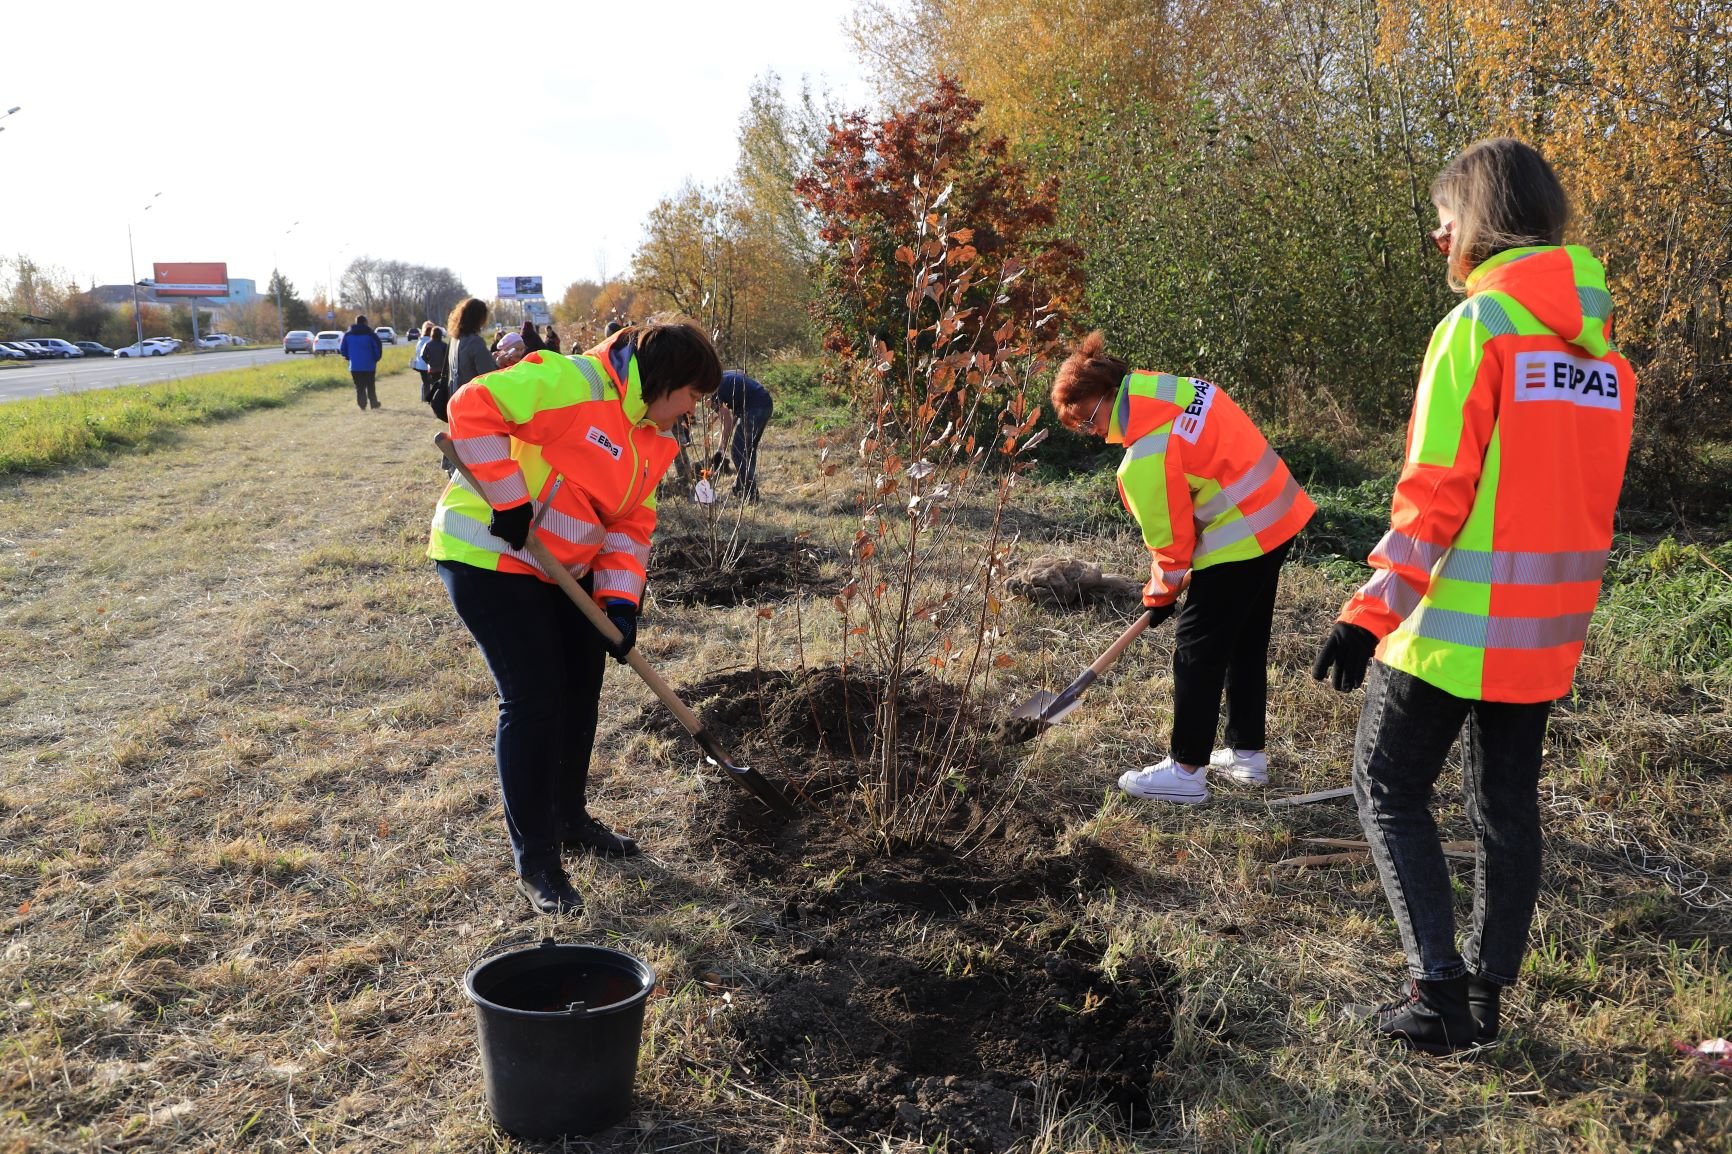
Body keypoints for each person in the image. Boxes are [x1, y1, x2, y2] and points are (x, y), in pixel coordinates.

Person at [1312, 139, 1635, 1054]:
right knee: (1506, 811)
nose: (1437, 233)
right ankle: (1489, 999)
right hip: (1546, 634)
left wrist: (1367, 610)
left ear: (1481, 223)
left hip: (1450, 629)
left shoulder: (1478, 329)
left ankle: (1437, 997)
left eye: (1446, 216)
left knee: (1385, 785)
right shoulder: (1607, 363)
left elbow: (1434, 496)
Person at [430, 317, 722, 915]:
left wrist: (618, 605)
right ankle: (536, 860)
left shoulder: (651, 438)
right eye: (693, 396)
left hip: (563, 570)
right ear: (668, 380)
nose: (691, 412)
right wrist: (510, 501)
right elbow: (472, 406)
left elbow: (630, 526)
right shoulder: (573, 382)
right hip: (489, 553)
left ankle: (567, 818)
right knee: (535, 697)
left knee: (582, 684)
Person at [1051, 333, 1314, 805]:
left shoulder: (1146, 459)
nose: (1092, 432)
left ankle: (1186, 771)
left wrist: (1160, 596)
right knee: (1245, 638)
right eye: (1081, 429)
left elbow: (1172, 548)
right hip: (1277, 508)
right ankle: (1247, 754)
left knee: (1197, 648)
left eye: (1090, 418)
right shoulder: (1170, 388)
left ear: (1110, 393)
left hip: (1242, 534)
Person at [711, 369, 774, 501]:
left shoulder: (711, 391)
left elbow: (726, 421)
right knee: (748, 450)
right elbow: (740, 373)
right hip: (765, 401)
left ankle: (750, 494)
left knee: (739, 451)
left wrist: (720, 450)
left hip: (755, 408)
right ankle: (740, 487)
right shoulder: (722, 375)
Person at [434, 298, 494, 423]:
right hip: (472, 406)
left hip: (454, 401)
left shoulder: (454, 340)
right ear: (479, 319)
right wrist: (499, 362)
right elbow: (489, 376)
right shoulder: (475, 342)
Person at [339, 315, 384, 410]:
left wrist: (349, 357)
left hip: (354, 365)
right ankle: (374, 403)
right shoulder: (370, 334)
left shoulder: (348, 335)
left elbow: (343, 349)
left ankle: (362, 404)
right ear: (365, 322)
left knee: (359, 386)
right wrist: (376, 359)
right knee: (370, 385)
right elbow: (377, 348)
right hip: (369, 365)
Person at [422, 326, 449, 407]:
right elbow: (447, 357)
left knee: (433, 385)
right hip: (442, 369)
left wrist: (429, 362)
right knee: (442, 386)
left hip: (432, 369)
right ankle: (442, 400)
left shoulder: (428, 344)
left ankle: (432, 400)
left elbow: (423, 356)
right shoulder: (444, 345)